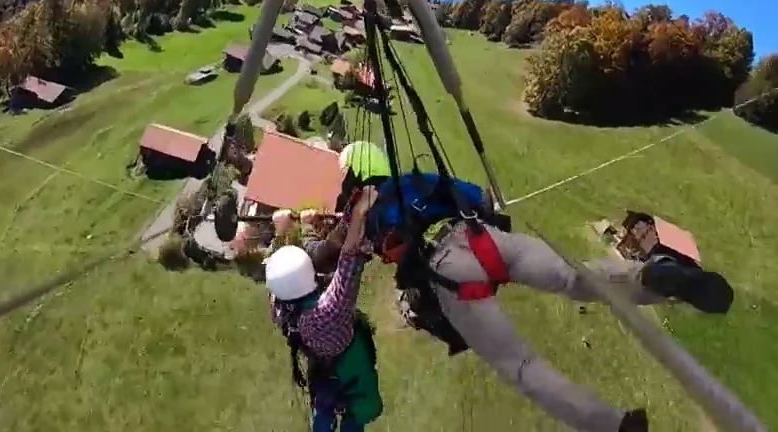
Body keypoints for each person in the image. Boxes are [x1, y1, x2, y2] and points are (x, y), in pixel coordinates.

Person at [335, 141, 735, 432]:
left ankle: (613, 426)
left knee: (521, 366)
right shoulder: (417, 180)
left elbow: (357, 254)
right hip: (483, 237)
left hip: (450, 269)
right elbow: (479, 197)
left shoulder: (368, 210)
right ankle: (651, 276)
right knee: (574, 276)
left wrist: (359, 218)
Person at [263, 187, 384, 432]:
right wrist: (359, 212)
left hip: (323, 380)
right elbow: (350, 258)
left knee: (323, 413)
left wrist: (281, 231)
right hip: (353, 385)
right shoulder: (330, 311)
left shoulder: (282, 312)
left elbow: (278, 274)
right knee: (353, 418)